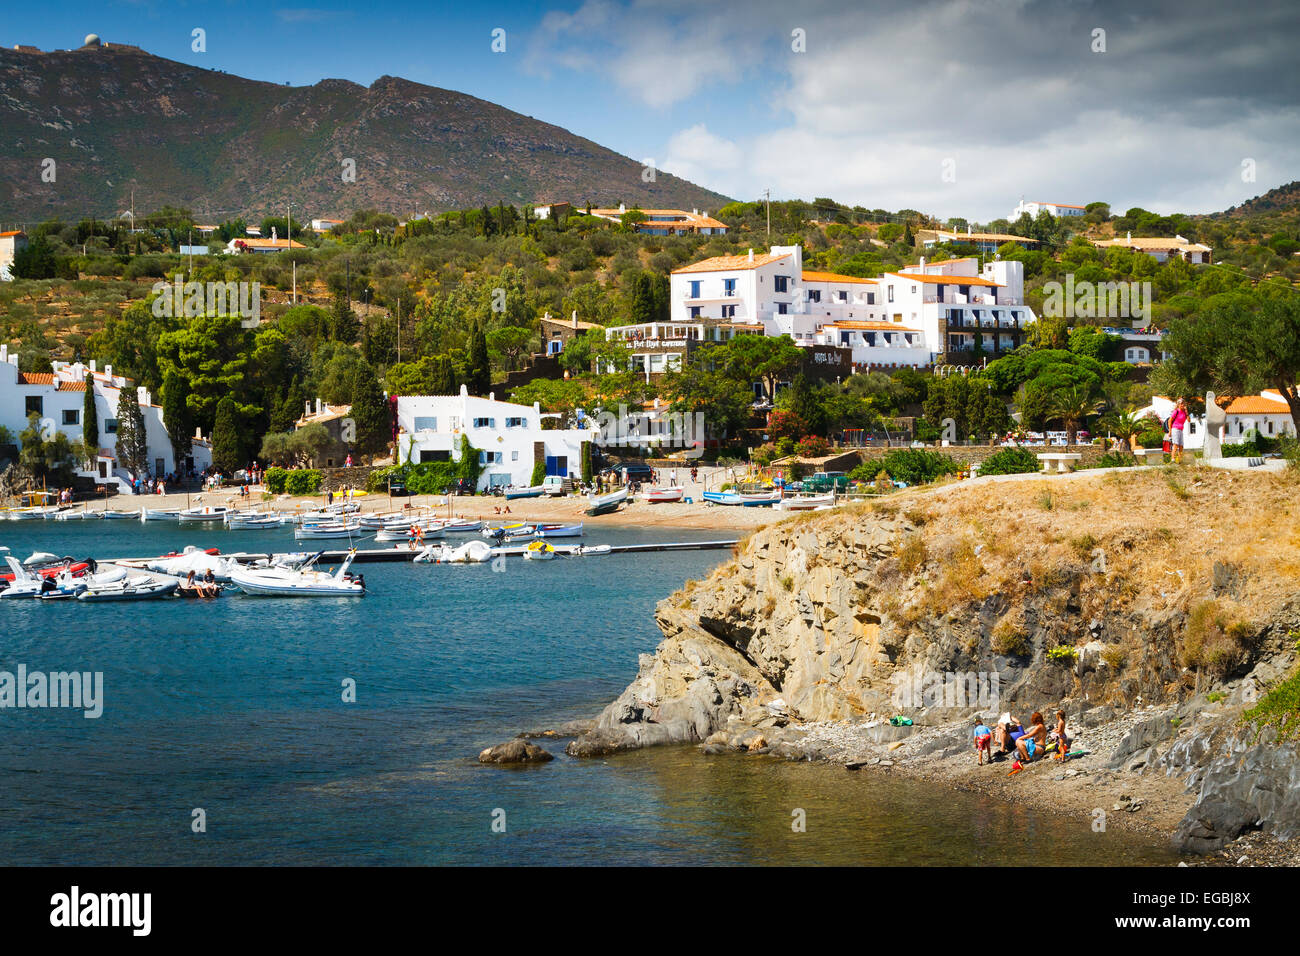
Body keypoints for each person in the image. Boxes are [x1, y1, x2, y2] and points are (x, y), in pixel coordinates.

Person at [1169, 398, 1189, 464]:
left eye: (1183, 403)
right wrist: (1170, 431)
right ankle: (1173, 459)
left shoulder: (1184, 412)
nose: (1183, 405)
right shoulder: (1176, 411)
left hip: (1180, 430)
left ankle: (1180, 460)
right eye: (1181, 404)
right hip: (1175, 429)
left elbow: (1189, 420)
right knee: (1176, 444)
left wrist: (1186, 412)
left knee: (1181, 445)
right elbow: (1170, 420)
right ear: (1178, 405)